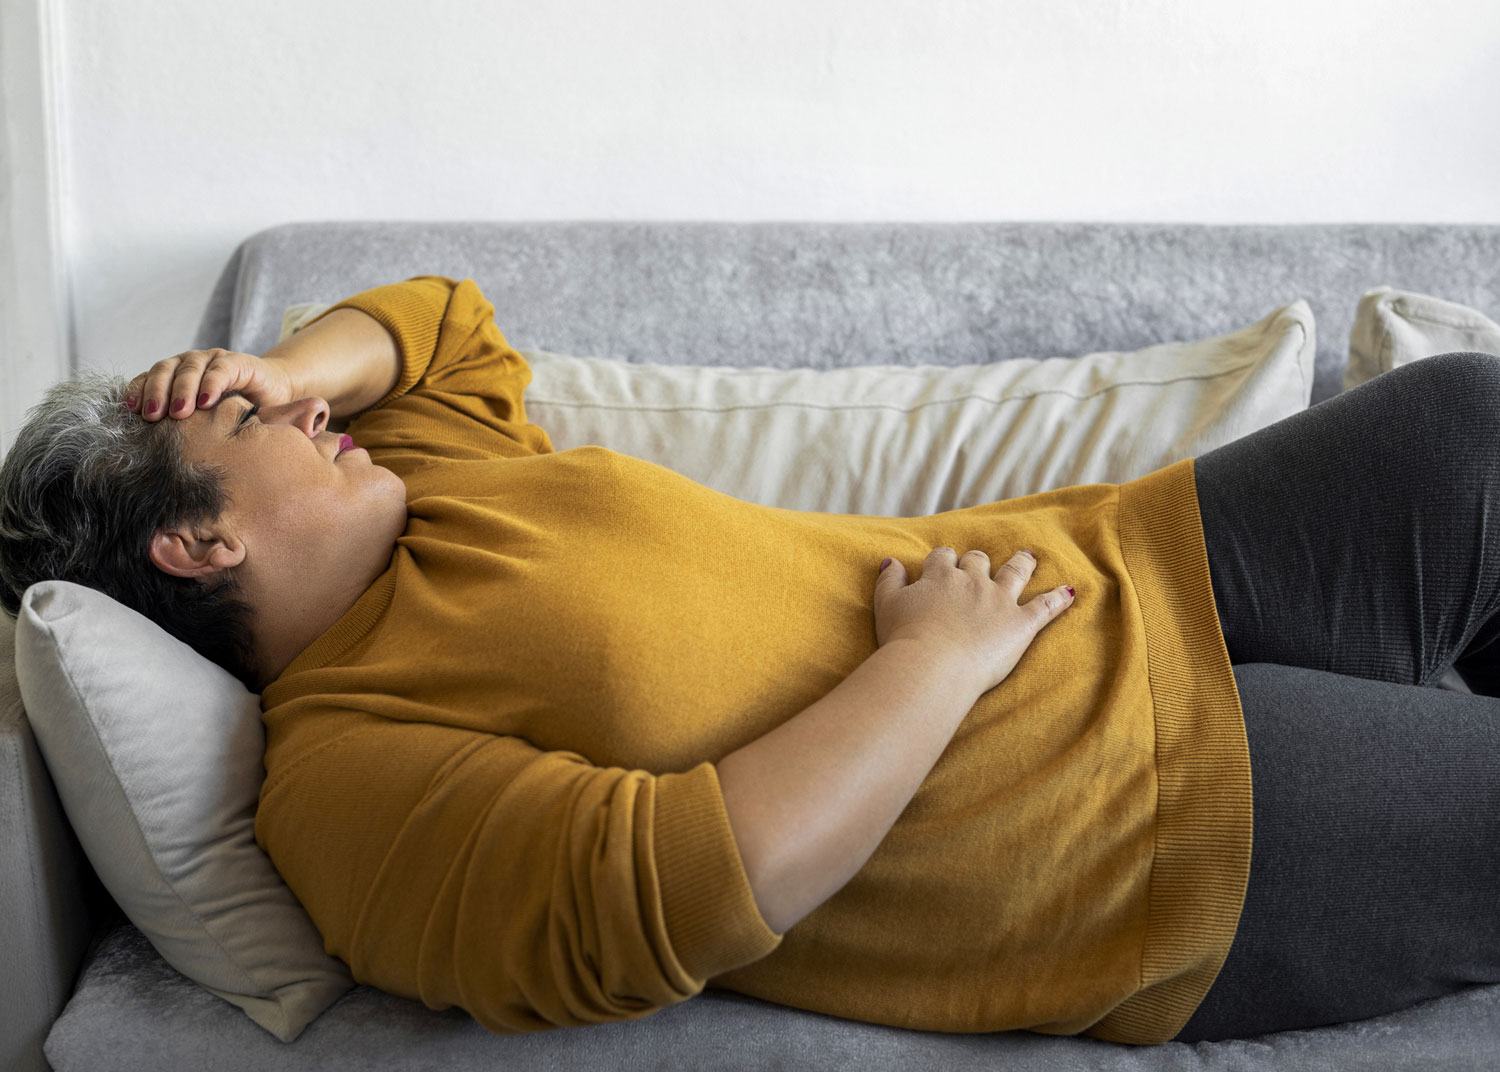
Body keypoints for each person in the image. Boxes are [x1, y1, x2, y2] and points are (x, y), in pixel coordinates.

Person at [1, 275, 1496, 1046]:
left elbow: (447, 328)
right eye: (256, 425)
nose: (308, 410)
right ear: (199, 543)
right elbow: (688, 895)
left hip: (1120, 565)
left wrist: (276, 368)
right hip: (1121, 822)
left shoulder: (426, 480)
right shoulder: (343, 786)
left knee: (1467, 425)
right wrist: (932, 666)